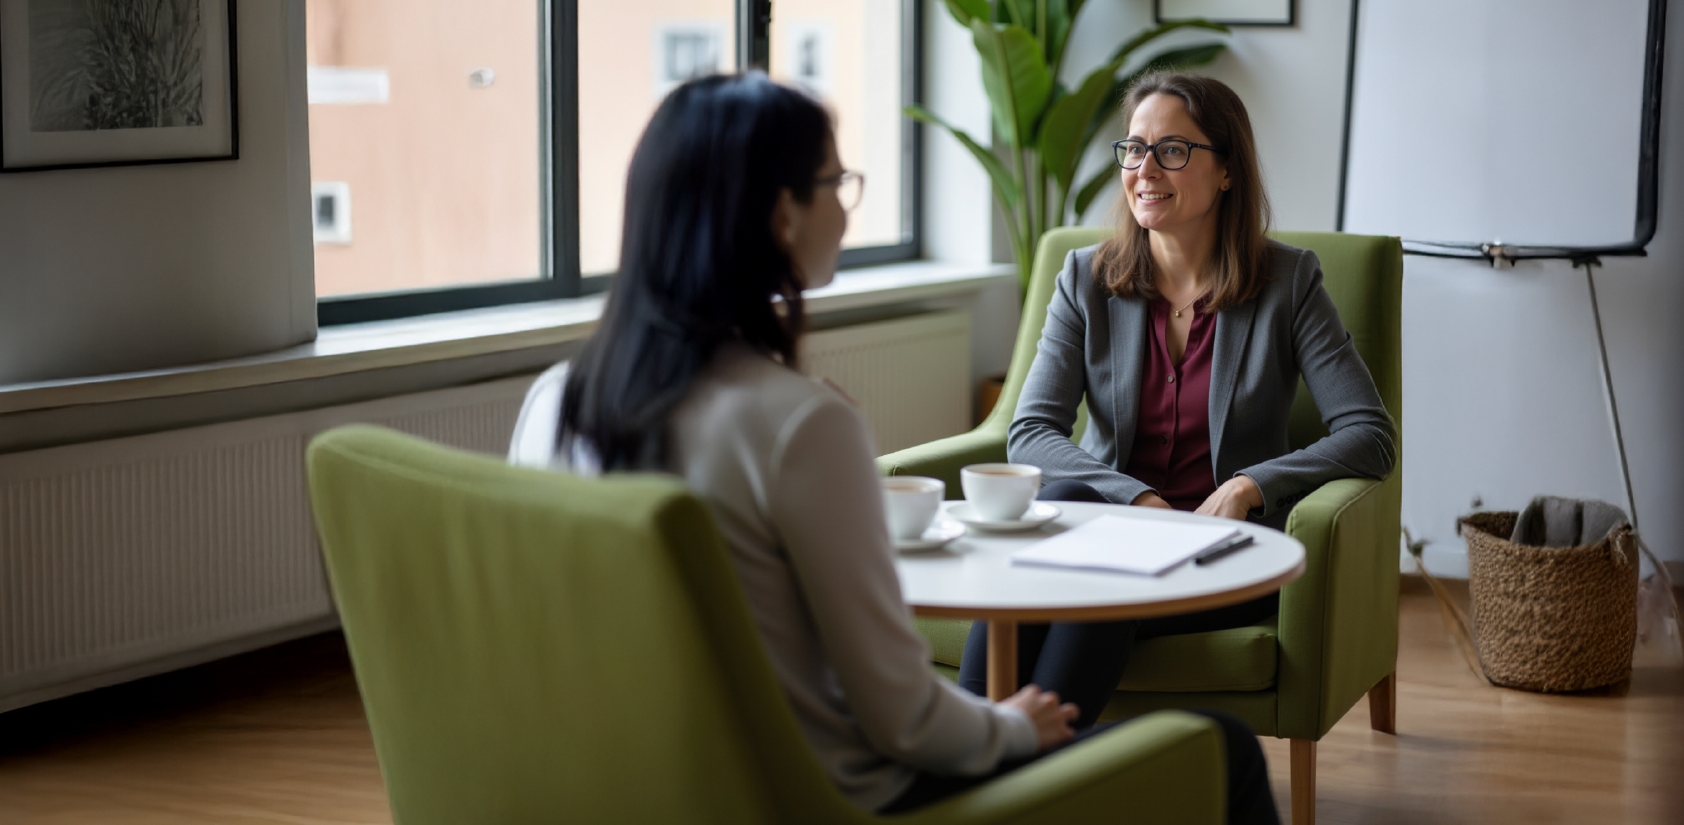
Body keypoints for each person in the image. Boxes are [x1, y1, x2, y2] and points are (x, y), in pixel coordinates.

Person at [509, 72, 1278, 822]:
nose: (846, 208)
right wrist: (1012, 726)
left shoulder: (555, 401)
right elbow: (903, 717)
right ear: (783, 213)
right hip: (833, 791)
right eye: (836, 181)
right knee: (1227, 753)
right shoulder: (801, 427)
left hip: (640, 783)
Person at [956, 72, 1397, 730]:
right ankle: (989, 755)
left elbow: (1369, 433)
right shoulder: (1086, 278)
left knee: (1082, 569)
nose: (1145, 168)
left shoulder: (1288, 282)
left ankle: (1002, 766)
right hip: (1104, 531)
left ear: (1226, 171)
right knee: (1078, 514)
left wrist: (1252, 483)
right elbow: (1031, 432)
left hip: (1216, 552)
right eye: (1134, 149)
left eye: (1173, 150)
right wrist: (1136, 501)